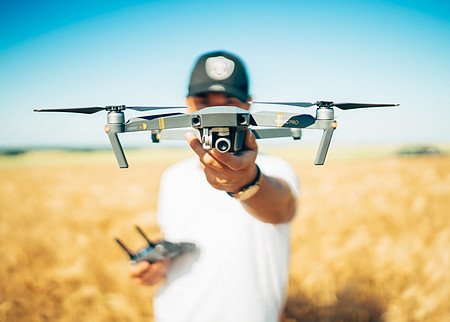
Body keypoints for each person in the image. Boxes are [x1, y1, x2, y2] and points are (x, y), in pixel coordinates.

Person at [130, 50, 299, 322]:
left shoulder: (276, 170)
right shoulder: (173, 177)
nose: (216, 114)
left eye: (228, 104)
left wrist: (247, 181)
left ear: (247, 105)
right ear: (188, 104)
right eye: (204, 103)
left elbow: (280, 209)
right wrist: (159, 264)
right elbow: (179, 237)